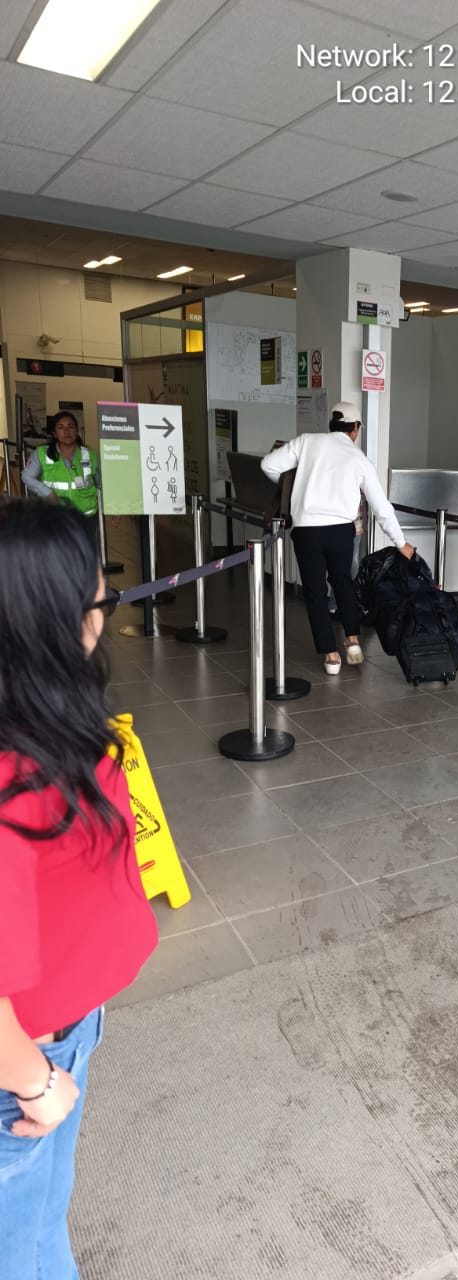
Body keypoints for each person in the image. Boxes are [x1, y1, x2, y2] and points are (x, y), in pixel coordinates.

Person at [0, 500, 158, 1278]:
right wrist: (36, 1084)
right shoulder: (7, 773)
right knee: (19, 1250)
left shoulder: (38, 717)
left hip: (60, 1038)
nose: (106, 604)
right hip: (23, 1064)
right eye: (101, 597)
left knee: (41, 1226)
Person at [261, 402, 415, 674]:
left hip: (307, 530)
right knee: (343, 582)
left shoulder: (306, 442)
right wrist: (400, 542)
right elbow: (381, 506)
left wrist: (295, 488)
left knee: (315, 592)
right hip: (341, 531)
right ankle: (352, 640)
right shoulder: (358, 459)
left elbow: (268, 465)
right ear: (355, 429)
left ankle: (330, 655)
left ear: (332, 425)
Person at [22, 412, 102, 527]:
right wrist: (47, 493)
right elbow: (26, 476)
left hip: (85, 517)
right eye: (60, 427)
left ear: (76, 431)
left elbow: (101, 484)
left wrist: (113, 509)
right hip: (55, 515)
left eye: (70, 427)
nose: (66, 431)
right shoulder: (42, 454)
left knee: (83, 545)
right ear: (54, 433)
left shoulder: (90, 455)